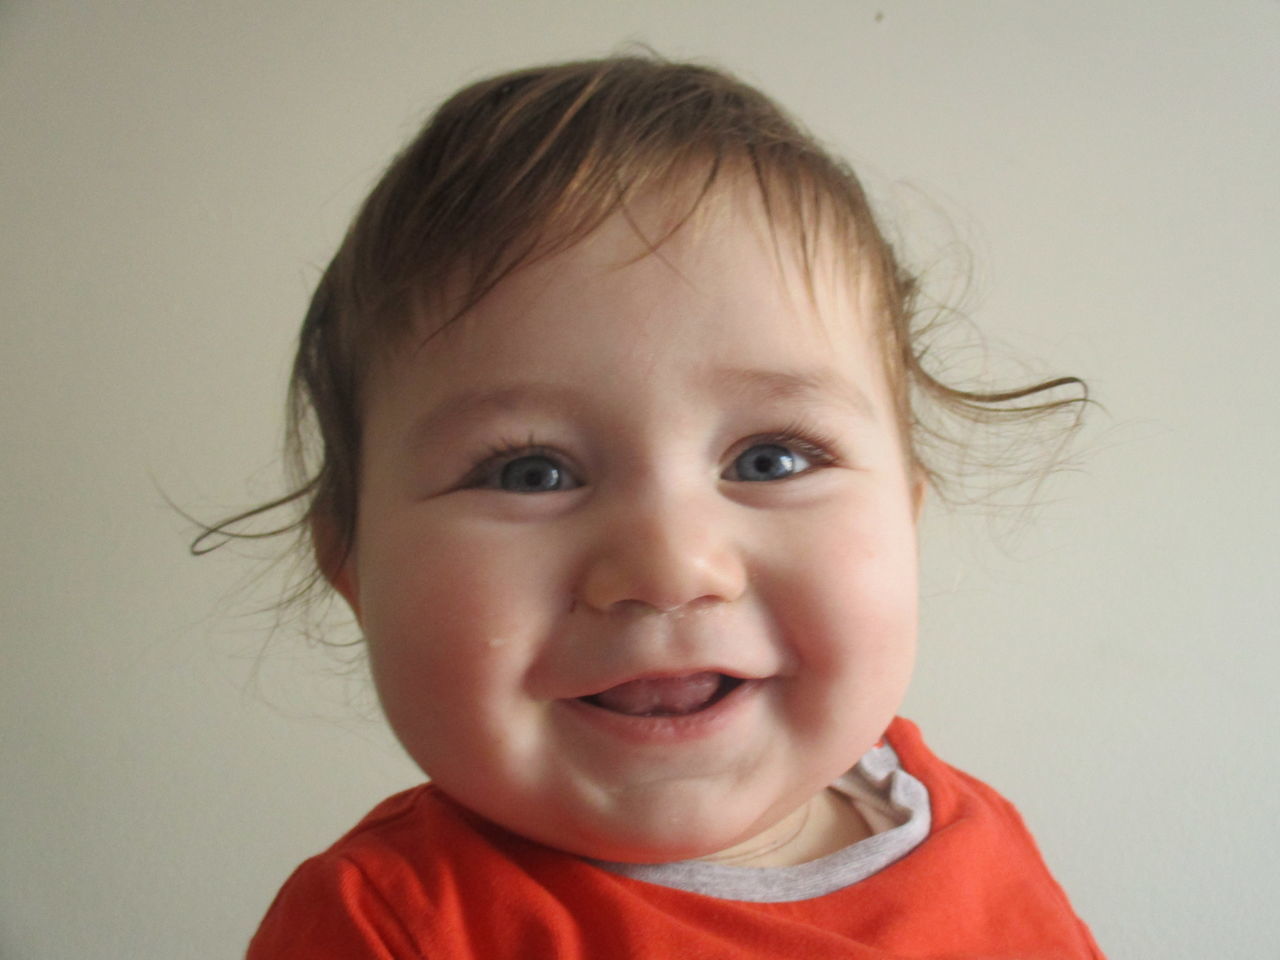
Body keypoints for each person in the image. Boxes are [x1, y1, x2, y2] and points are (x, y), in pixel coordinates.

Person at [218, 53, 1104, 958]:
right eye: (532, 473)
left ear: (906, 518)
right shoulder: (393, 931)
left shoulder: (972, 833)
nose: (670, 566)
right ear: (353, 564)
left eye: (771, 459)